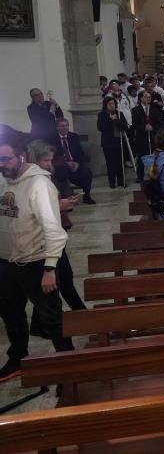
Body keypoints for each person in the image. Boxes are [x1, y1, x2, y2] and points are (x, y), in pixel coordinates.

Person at [0, 132, 74, 382]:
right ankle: (18, 358)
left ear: (21, 156)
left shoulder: (40, 184)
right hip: (6, 263)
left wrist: (50, 268)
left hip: (35, 263)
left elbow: (54, 231)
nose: (1, 164)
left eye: (5, 159)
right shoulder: (3, 180)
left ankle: (69, 368)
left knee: (52, 319)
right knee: (11, 315)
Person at [26, 140, 86, 324]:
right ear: (34, 160)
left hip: (54, 235)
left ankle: (79, 314)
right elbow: (37, 212)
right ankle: (82, 316)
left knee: (62, 280)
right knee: (61, 281)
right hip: (44, 240)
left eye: (50, 160)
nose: (49, 165)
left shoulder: (45, 177)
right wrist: (60, 205)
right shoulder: (33, 181)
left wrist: (63, 203)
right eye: (46, 161)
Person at [50, 118, 95, 204]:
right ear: (57, 127)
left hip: (75, 164)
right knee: (61, 172)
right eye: (62, 126)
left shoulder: (74, 136)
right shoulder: (53, 139)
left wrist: (77, 163)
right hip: (61, 165)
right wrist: (66, 163)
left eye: (67, 125)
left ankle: (87, 196)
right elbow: (53, 156)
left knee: (87, 172)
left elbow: (80, 153)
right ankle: (65, 199)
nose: (65, 128)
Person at [131, 91, 164, 183]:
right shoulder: (135, 110)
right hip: (141, 137)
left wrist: (153, 127)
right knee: (141, 157)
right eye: (146, 97)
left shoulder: (155, 110)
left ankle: (154, 174)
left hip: (153, 137)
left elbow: (159, 123)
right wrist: (144, 127)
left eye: (149, 97)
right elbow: (134, 124)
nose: (148, 99)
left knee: (155, 157)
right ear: (141, 98)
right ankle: (140, 176)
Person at [96, 97, 129, 188]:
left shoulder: (119, 113)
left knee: (120, 163)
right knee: (110, 163)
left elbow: (125, 127)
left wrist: (115, 120)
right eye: (110, 104)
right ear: (106, 105)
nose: (112, 106)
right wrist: (110, 120)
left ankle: (121, 181)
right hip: (108, 143)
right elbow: (101, 127)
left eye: (113, 104)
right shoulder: (102, 115)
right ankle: (112, 182)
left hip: (119, 142)